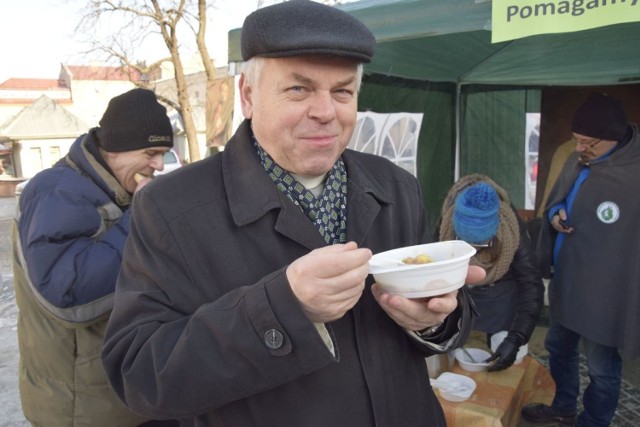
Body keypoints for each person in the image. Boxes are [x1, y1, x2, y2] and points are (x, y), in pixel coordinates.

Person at [101, 1, 484, 426]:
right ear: (248, 95)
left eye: (342, 91)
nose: (326, 112)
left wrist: (434, 320)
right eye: (299, 89)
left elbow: (446, 317)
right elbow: (141, 377)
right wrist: (284, 308)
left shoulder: (395, 186)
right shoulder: (171, 207)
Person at [12, 88, 176, 426]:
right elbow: (68, 294)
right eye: (151, 152)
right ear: (114, 149)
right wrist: (143, 218)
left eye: (163, 154)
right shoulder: (56, 191)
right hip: (84, 407)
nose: (159, 165)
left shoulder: (117, 187)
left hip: (126, 394)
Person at [522, 93, 640, 426]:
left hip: (608, 292)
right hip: (571, 280)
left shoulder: (636, 175)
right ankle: (563, 406)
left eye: (588, 142)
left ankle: (595, 420)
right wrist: (557, 214)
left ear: (614, 138)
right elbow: (559, 199)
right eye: (576, 140)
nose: (578, 149)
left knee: (602, 367)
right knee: (559, 347)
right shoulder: (580, 161)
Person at [436, 174, 544, 371]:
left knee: (501, 358)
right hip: (463, 298)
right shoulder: (446, 223)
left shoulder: (510, 229)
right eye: (465, 242)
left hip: (501, 300)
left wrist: (517, 337)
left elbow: (531, 284)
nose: (474, 250)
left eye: (481, 244)